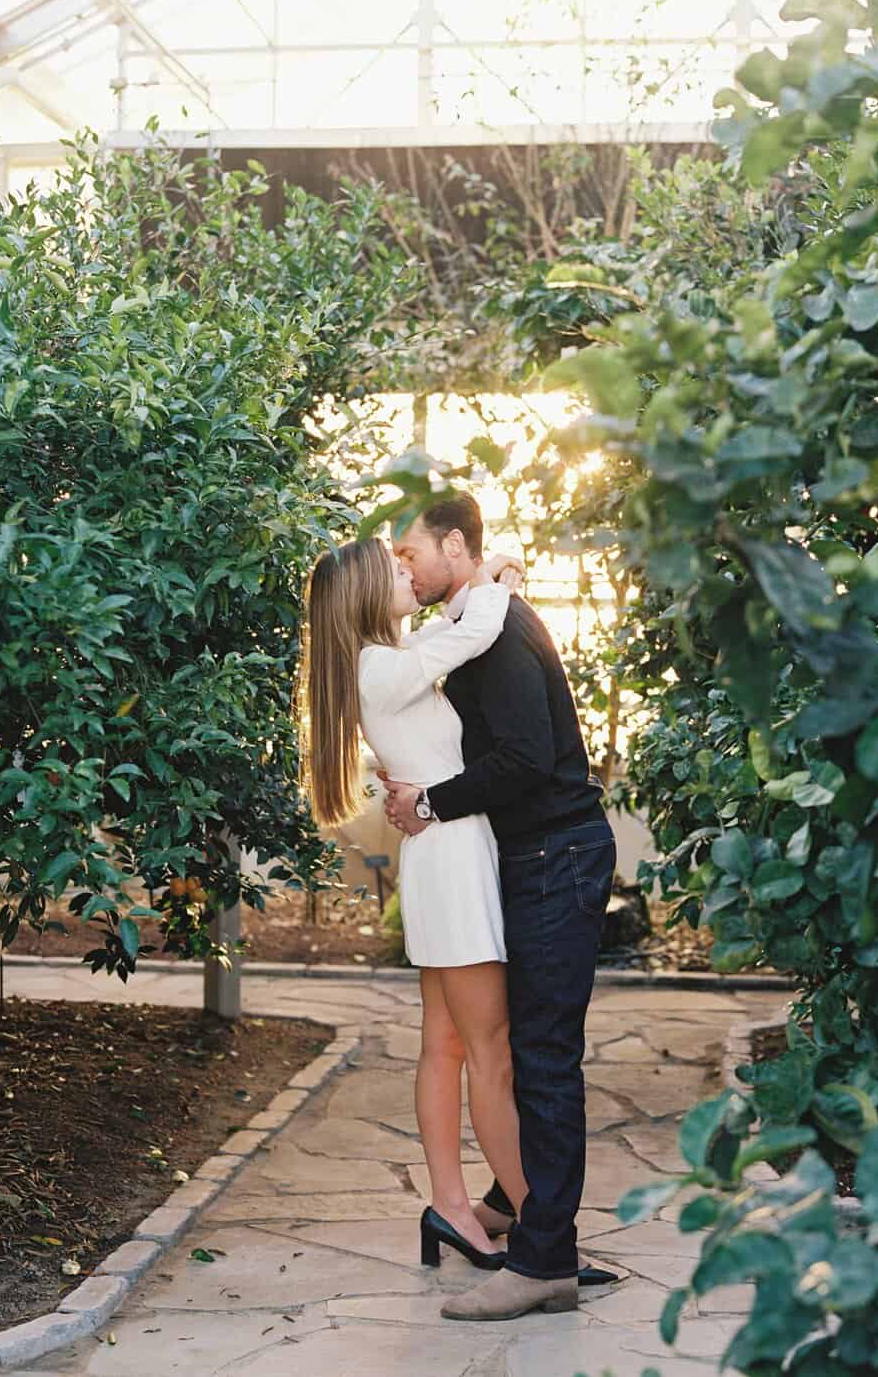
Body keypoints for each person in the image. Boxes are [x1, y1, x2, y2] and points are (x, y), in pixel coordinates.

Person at [383, 492, 617, 1322]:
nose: (403, 566)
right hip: (529, 855)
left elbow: (521, 758)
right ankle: (515, 1207)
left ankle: (545, 1260)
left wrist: (432, 802)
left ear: (455, 544)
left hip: (556, 852)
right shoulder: (475, 621)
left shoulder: (501, 630)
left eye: (411, 552)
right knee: (514, 1043)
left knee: (544, 1057)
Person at [305, 535, 530, 1274]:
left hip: (445, 858)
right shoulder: (381, 669)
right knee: (488, 1051)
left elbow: (446, 635)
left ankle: (451, 1207)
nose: (407, 572)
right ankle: (538, 1219)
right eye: (392, 568)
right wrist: (492, 575)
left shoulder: (386, 662)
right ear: (365, 592)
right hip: (453, 864)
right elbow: (473, 629)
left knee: (448, 1045)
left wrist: (487, 579)